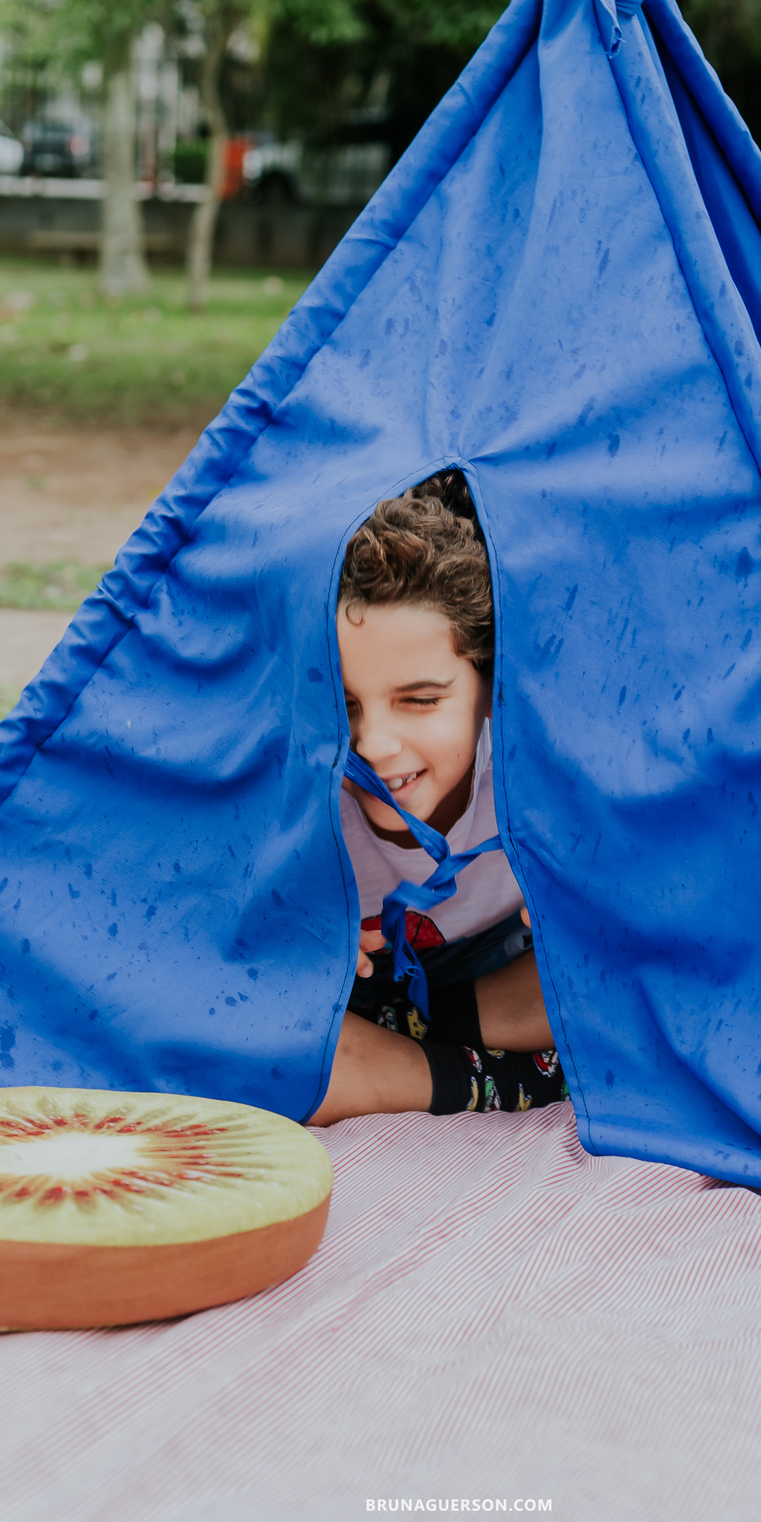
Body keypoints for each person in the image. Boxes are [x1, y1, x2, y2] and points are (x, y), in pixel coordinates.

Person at [309, 472, 570, 1126]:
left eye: (420, 700)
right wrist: (295, 938)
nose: (372, 744)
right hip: (353, 994)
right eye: (341, 707)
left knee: (627, 988)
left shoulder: (543, 766)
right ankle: (466, 1072)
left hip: (502, 974)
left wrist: (589, 914)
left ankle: (443, 1060)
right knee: (279, 1058)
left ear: (489, 685)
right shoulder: (302, 791)